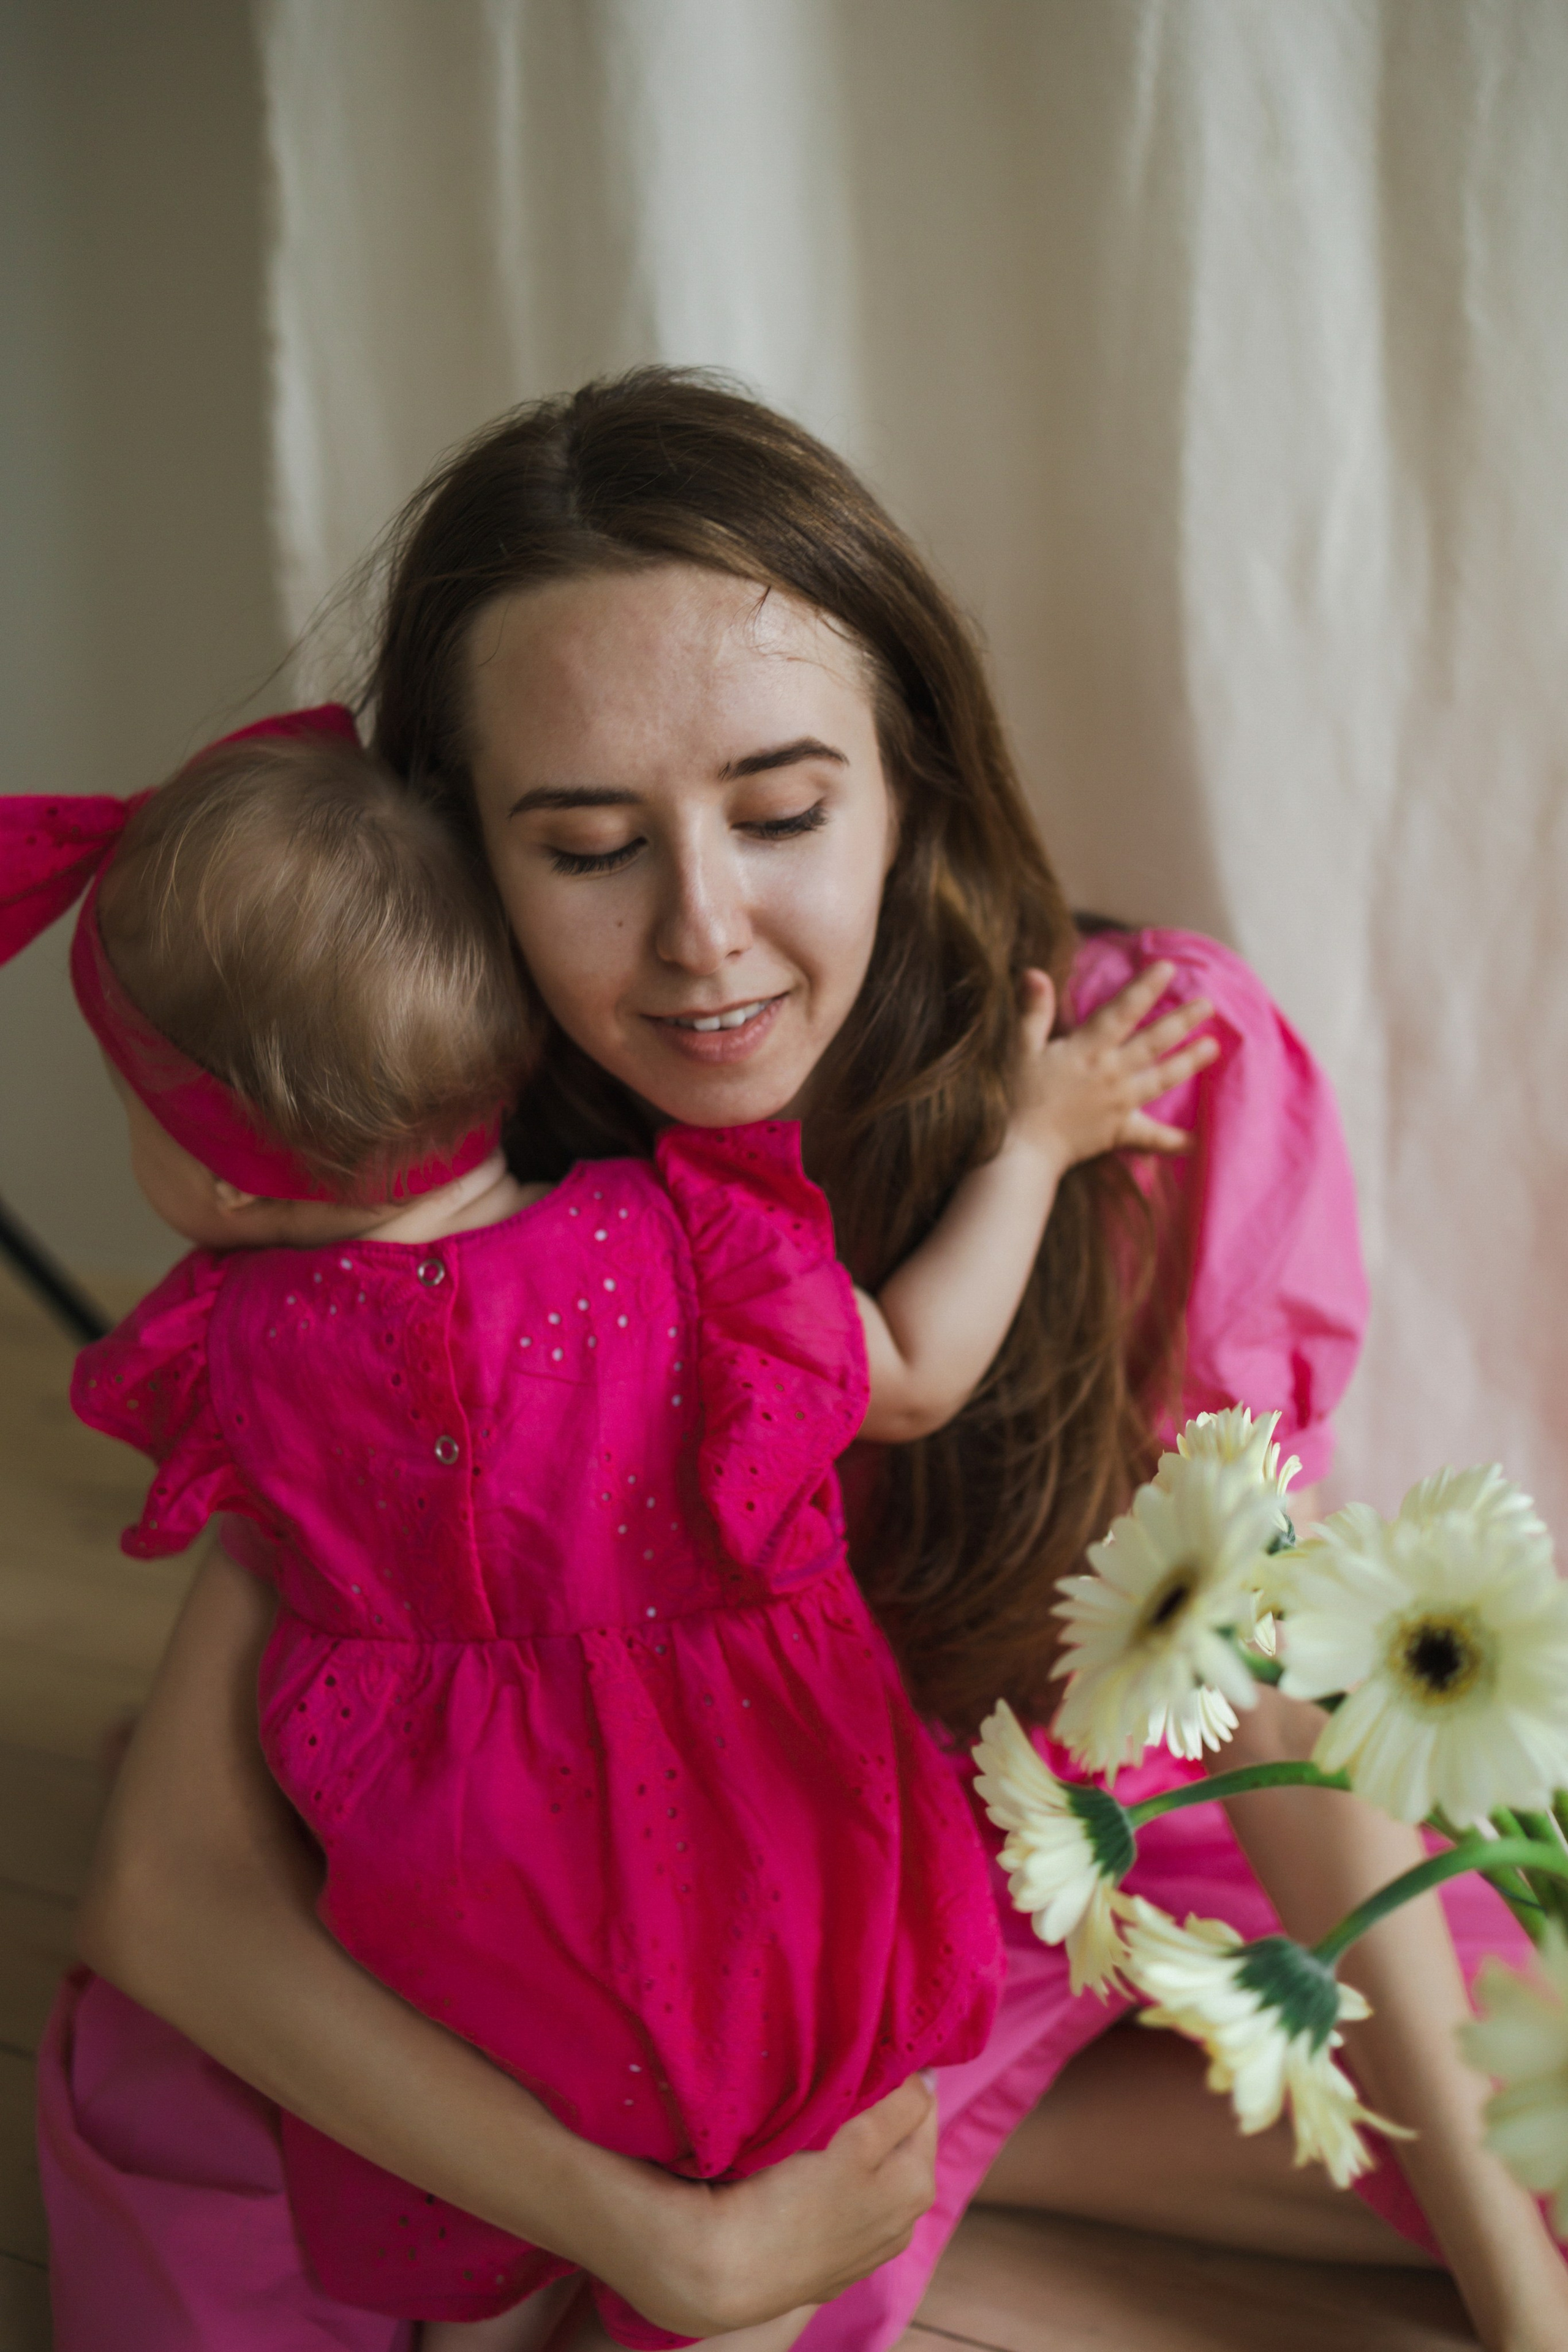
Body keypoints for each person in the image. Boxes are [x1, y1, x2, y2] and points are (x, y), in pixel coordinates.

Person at [40, 372, 1568, 2352]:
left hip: (1054, 1856)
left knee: (1529, 2095)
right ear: (450, 863)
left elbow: (1264, 1685)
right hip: (600, 1933)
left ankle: (951, 2143)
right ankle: (802, 2174)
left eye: (781, 815)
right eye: (589, 848)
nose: (706, 935)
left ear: (907, 779)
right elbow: (174, 1888)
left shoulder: (1139, 1078)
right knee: (256, 2215)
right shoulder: (415, 1212)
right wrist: (651, 2230)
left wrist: (1526, 2307)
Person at [11, 700, 1215, 2348]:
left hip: (465, 1931)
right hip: (768, 1870)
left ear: (221, 1180)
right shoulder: (689, 1246)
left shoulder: (235, 1350)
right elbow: (921, 1373)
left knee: (503, 2223)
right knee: (779, 2196)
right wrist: (1032, 1141)